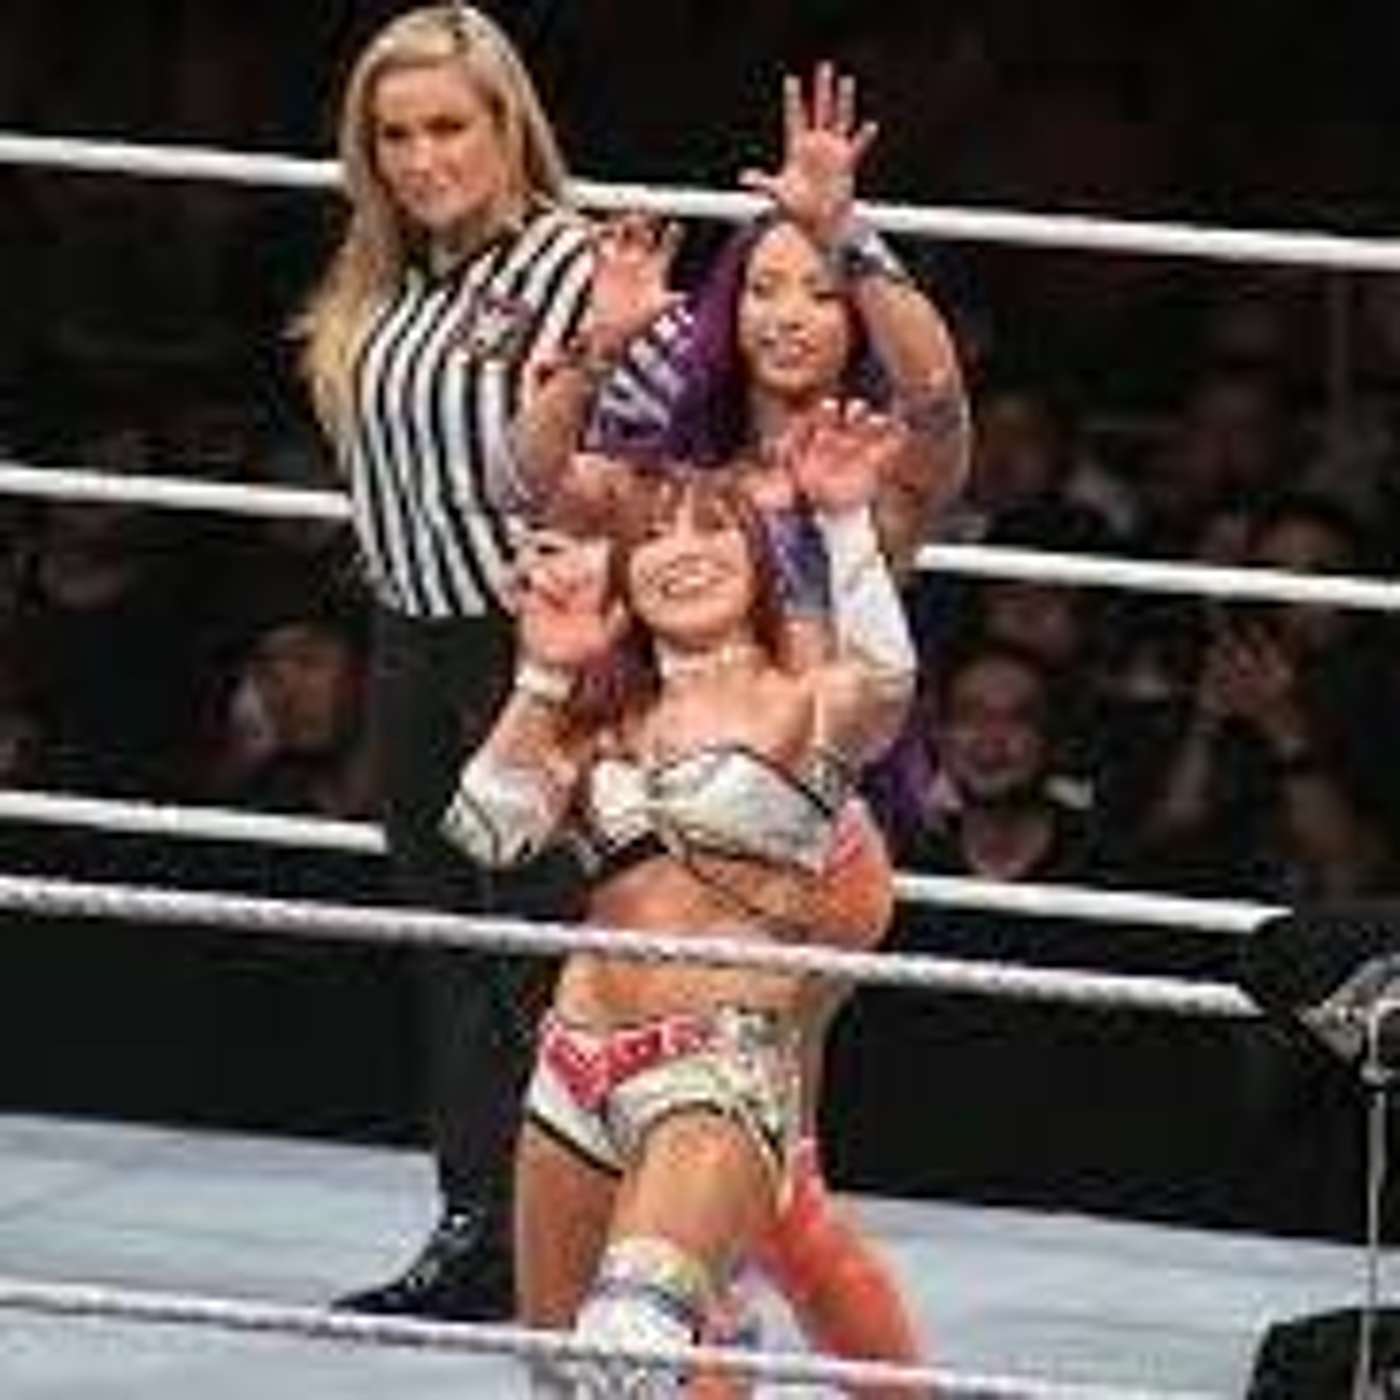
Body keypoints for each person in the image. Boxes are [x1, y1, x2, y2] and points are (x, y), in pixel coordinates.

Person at [293, 4, 669, 1321]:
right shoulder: (388, 276)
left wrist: (603, 619)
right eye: (394, 135)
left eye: (447, 125)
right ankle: (481, 1227)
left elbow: (666, 460)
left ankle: (614, 1239)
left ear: (508, 124)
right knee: (451, 949)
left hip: (536, 654)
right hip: (412, 638)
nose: (421, 157)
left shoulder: (576, 266)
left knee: (550, 953)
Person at [441, 403, 919, 1396]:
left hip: (713, 1070)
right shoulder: (599, 722)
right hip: (571, 1068)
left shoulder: (803, 703)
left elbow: (885, 679)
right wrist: (543, 673)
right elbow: (487, 830)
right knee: (562, 1379)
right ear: (625, 573)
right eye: (655, 535)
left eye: (712, 529)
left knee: (628, 1346)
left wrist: (842, 520)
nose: (685, 550)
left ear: (756, 562)